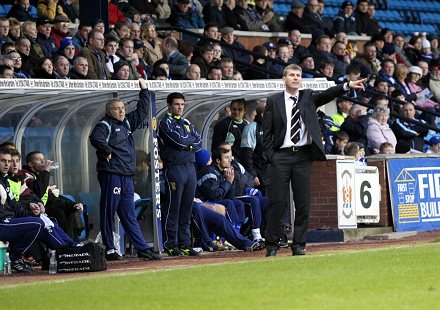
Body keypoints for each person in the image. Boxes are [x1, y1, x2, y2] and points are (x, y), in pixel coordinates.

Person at [262, 64, 366, 257]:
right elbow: (266, 133)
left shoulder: (307, 97)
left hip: (302, 156)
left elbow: (327, 94)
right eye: (292, 75)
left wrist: (347, 85)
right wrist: (272, 156)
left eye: (298, 75)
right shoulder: (274, 101)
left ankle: (299, 244)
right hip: (281, 157)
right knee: (277, 201)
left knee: (302, 202)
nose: (295, 78)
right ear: (284, 79)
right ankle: (272, 245)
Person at [89, 78, 161, 261]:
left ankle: (142, 248)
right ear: (109, 111)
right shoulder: (105, 125)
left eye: (122, 108)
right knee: (108, 210)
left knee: (128, 213)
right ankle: (110, 247)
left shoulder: (127, 124)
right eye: (117, 109)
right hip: (112, 174)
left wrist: (144, 91)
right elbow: (96, 138)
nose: (121, 111)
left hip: (127, 176)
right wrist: (106, 151)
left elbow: (142, 111)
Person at [158, 92, 202, 256]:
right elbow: (177, 141)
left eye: (182, 104)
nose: (180, 107)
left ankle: (184, 243)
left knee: (187, 207)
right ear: (169, 105)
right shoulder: (165, 123)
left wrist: (187, 145)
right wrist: (187, 144)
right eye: (177, 104)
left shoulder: (187, 122)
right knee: (173, 206)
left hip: (190, 168)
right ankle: (170, 243)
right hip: (175, 168)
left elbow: (198, 141)